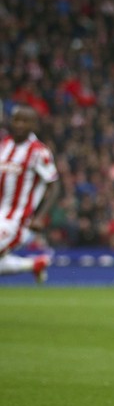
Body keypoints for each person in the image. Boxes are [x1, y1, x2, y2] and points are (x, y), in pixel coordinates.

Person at [0, 105, 58, 283]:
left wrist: (40, 217)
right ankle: (34, 264)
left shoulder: (39, 152)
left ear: (34, 125)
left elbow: (54, 186)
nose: (19, 124)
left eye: (25, 121)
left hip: (16, 220)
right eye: (17, 119)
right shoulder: (4, 145)